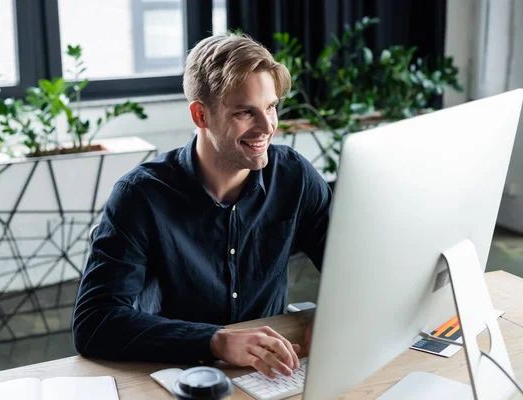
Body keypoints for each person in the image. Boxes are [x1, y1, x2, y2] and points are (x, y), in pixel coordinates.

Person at [72, 33, 332, 380]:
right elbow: (95, 321)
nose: (268, 126)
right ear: (200, 115)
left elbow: (349, 264)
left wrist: (333, 315)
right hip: (175, 374)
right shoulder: (140, 196)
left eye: (271, 107)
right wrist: (215, 341)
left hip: (272, 371)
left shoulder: (293, 176)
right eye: (245, 112)